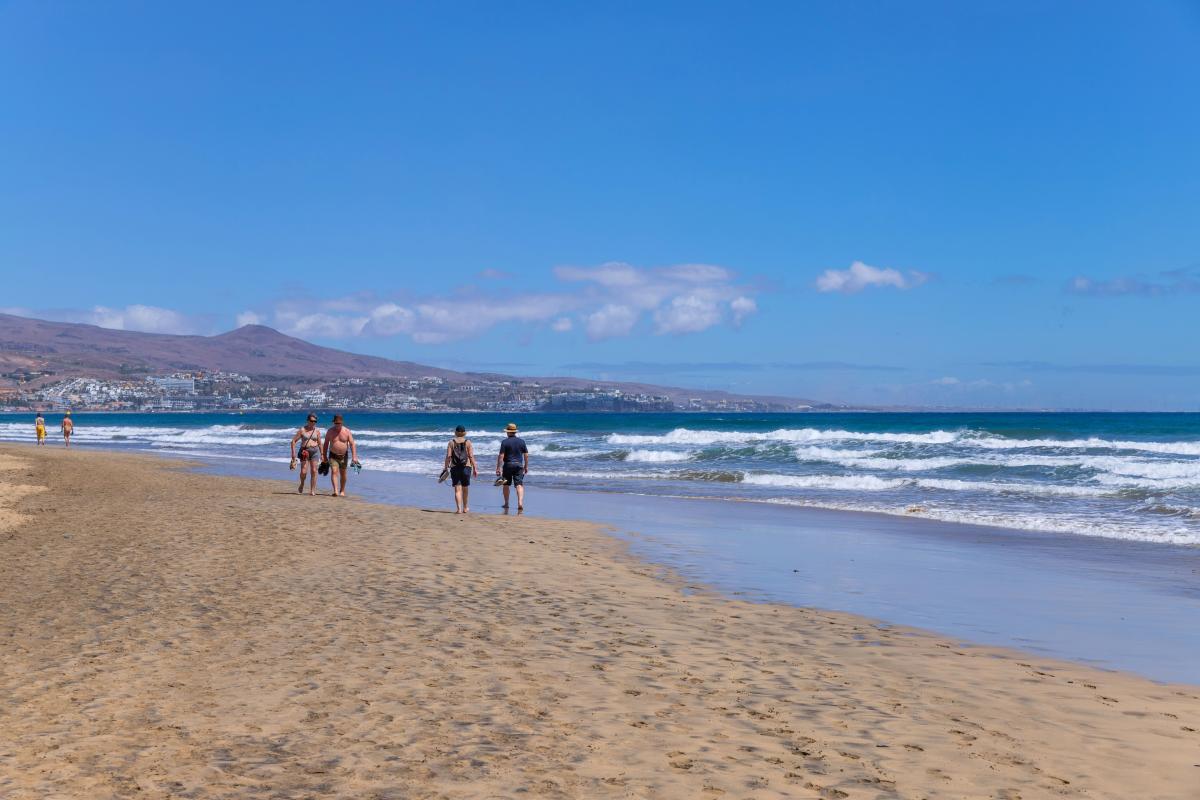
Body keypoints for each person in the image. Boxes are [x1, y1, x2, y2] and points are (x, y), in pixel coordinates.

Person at [443, 425, 478, 514]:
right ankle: (465, 508)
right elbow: (471, 456)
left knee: (457, 489)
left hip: (455, 467)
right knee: (465, 488)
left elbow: (448, 456)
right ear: (464, 433)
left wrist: (445, 468)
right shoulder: (468, 442)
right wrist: (475, 468)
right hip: (466, 467)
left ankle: (459, 509)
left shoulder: (451, 442)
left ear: (456, 432)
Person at [495, 422, 529, 511]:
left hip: (508, 465)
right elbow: (526, 455)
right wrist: (526, 466)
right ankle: (520, 503)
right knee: (519, 485)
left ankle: (506, 504)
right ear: (515, 432)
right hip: (519, 465)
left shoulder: (505, 442)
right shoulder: (522, 442)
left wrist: (498, 467)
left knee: (506, 485)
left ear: (508, 432)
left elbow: (501, 456)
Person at [322, 414, 358, 497]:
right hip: (333, 455)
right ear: (333, 423)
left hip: (344, 456)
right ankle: (335, 491)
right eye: (336, 423)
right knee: (334, 471)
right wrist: (324, 456)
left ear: (342, 423)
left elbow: (352, 444)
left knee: (343, 474)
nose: (337, 425)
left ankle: (342, 490)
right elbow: (326, 443)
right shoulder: (330, 431)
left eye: (339, 423)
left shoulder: (347, 431)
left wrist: (354, 456)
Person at [289, 413, 323, 496]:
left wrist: (322, 454)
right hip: (305, 452)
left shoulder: (317, 431)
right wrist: (293, 454)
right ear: (308, 421)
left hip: (315, 451)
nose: (313, 422)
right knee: (304, 471)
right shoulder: (302, 430)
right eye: (311, 421)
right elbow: (293, 441)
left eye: (315, 421)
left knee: (314, 471)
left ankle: (312, 490)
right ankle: (302, 483)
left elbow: (320, 443)